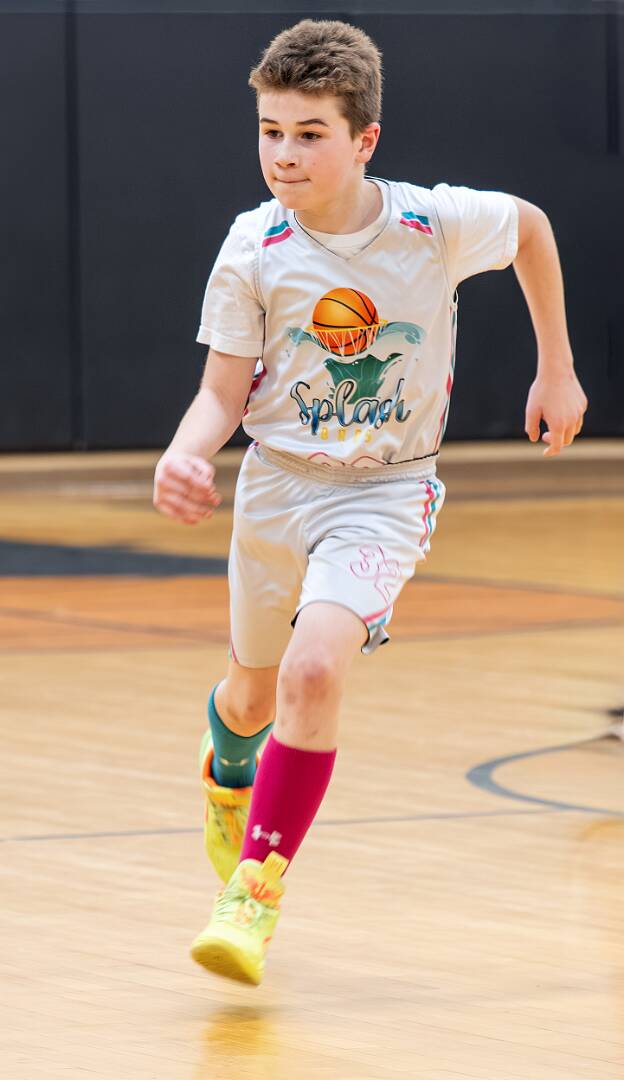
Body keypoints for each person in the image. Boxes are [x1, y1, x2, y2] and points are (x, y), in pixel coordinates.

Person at [153, 19, 587, 986]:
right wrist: (184, 454)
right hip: (277, 484)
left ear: (365, 141)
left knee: (313, 671)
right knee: (252, 693)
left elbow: (531, 227)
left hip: (387, 490)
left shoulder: (432, 225)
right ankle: (228, 769)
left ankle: (254, 893)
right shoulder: (254, 244)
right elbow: (222, 392)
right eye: (270, 131)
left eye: (310, 134)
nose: (283, 154)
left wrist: (555, 367)